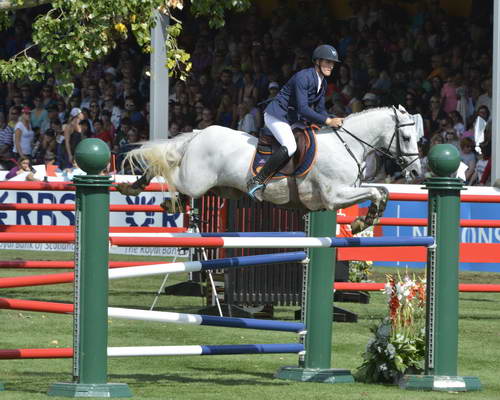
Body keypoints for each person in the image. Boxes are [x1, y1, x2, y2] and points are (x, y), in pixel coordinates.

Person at [247, 44, 344, 200]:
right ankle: (257, 181)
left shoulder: (323, 83)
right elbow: (304, 109)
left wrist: (333, 120)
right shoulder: (303, 77)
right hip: (277, 115)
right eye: (327, 62)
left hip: (292, 118)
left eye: (332, 63)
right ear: (317, 62)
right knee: (290, 146)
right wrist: (328, 120)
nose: (331, 66)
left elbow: (320, 110)